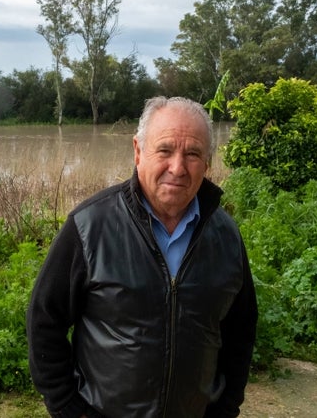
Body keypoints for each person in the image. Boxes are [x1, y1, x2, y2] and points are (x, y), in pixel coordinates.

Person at [26, 96, 258, 418]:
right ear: (138, 151)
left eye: (192, 154)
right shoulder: (89, 227)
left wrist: (226, 407)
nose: (177, 167)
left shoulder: (226, 236)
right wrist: (68, 408)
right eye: (164, 150)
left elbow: (240, 331)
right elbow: (43, 321)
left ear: (207, 163)